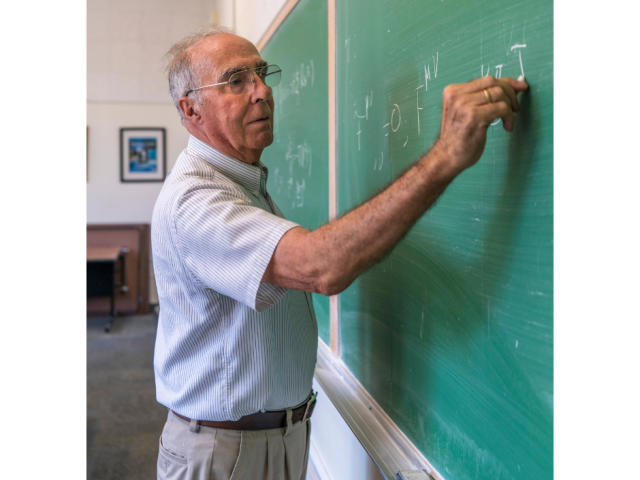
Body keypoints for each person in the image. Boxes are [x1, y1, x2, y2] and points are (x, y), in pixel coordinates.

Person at [152, 26, 528, 480]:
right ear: (190, 109)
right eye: (236, 81)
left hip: (271, 439)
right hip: (225, 453)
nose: (263, 91)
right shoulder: (195, 200)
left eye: (261, 73)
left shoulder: (244, 182)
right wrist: (447, 154)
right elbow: (319, 267)